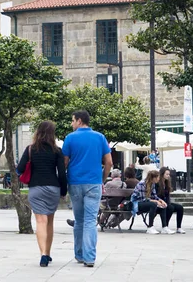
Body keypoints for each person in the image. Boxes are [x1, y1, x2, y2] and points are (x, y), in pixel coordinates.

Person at [62, 110, 112, 268]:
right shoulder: (100, 137)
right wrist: (102, 178)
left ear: (79, 120)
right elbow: (109, 162)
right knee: (91, 220)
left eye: (72, 120)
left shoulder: (70, 138)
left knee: (79, 220)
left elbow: (64, 162)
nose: (71, 124)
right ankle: (90, 258)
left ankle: (79, 254)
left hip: (75, 182)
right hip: (94, 182)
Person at [17, 121, 67, 267]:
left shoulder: (30, 149)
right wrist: (63, 191)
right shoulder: (57, 151)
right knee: (50, 221)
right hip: (53, 188)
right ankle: (48, 252)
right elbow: (62, 174)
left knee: (40, 221)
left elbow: (19, 168)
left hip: (36, 188)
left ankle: (43, 254)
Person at [131, 170, 174, 234]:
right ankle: (150, 227)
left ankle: (164, 227)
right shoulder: (142, 183)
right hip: (136, 204)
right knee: (153, 204)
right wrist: (155, 201)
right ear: (154, 178)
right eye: (158, 177)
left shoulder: (152, 184)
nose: (159, 179)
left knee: (162, 206)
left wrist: (161, 201)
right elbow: (142, 199)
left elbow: (154, 196)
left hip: (145, 202)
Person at [156, 167, 185, 234]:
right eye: (167, 174)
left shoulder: (166, 183)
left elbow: (167, 195)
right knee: (170, 208)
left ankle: (179, 227)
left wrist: (168, 202)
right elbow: (156, 195)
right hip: (159, 202)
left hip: (166, 202)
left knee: (179, 207)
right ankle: (165, 226)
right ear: (162, 174)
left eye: (169, 174)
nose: (168, 176)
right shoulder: (157, 183)